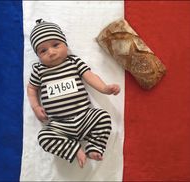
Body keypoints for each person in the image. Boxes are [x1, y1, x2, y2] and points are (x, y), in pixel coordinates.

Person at [27, 19, 120, 168]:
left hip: (84, 116)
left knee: (103, 117)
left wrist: (105, 88)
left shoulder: (73, 62)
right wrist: (36, 107)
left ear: (65, 44)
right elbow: (31, 89)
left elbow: (90, 76)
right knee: (44, 137)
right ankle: (74, 149)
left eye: (56, 45)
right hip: (60, 125)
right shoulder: (39, 70)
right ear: (37, 55)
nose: (51, 52)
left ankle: (93, 147)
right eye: (43, 50)